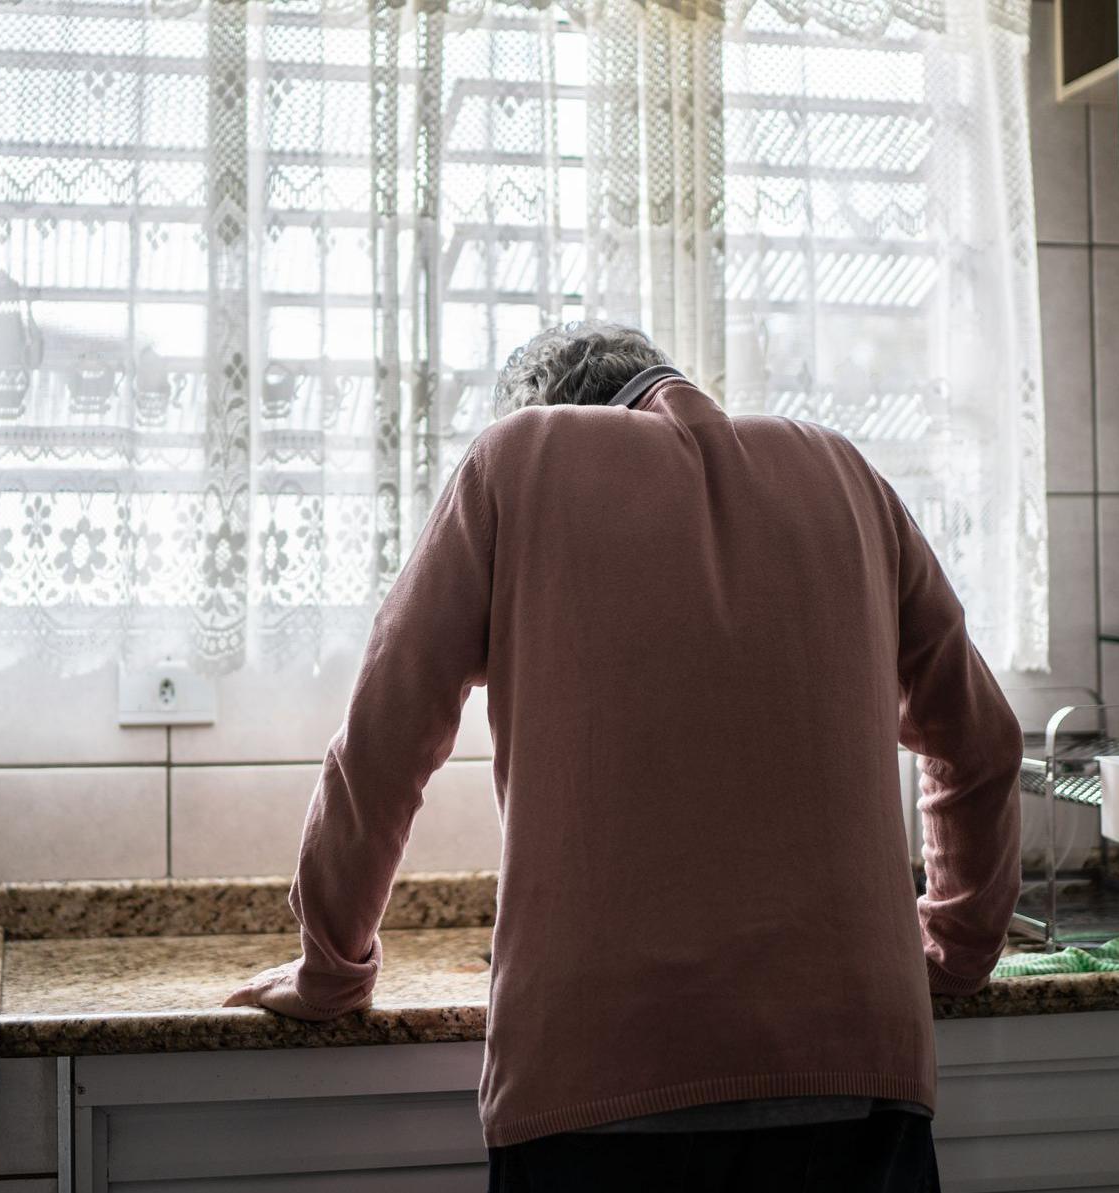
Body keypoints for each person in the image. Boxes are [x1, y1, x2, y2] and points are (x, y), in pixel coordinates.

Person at [225, 321, 1021, 1192]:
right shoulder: (846, 472)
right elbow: (982, 744)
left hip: (596, 1091)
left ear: (559, 411)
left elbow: (383, 742)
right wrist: (951, 949)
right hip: (860, 1081)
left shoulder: (515, 459)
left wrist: (332, 966)